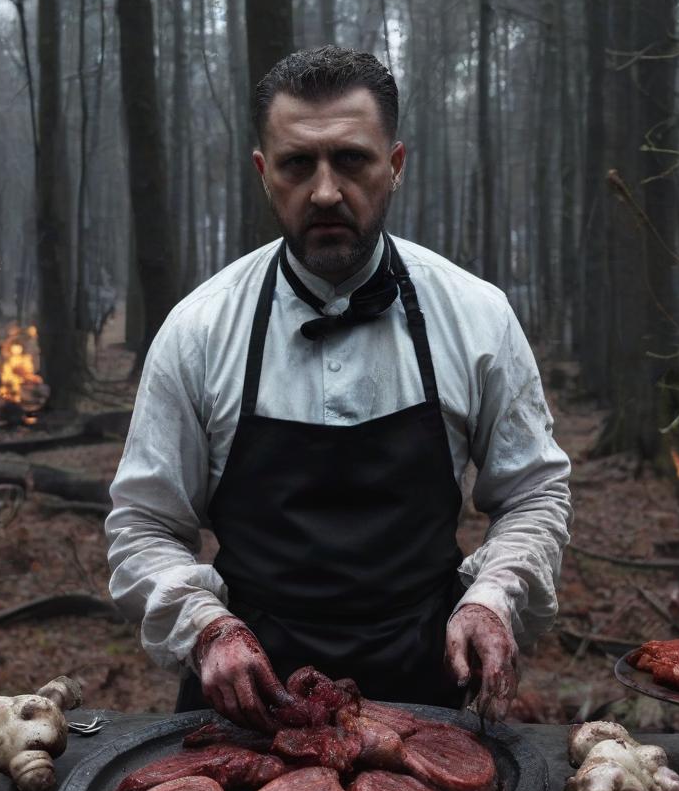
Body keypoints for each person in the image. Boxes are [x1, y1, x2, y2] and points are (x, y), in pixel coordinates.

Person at [106, 46, 571, 731]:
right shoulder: (199, 330)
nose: (325, 191)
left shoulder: (475, 316)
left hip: (429, 703)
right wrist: (206, 627)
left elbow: (534, 492)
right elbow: (143, 524)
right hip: (250, 707)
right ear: (265, 174)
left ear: (396, 165)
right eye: (299, 164)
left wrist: (493, 596)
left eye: (351, 160)